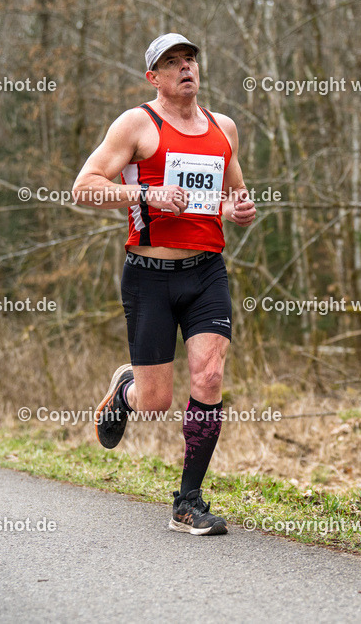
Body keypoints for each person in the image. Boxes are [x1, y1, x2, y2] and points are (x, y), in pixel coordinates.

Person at [72, 33, 256, 536]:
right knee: (156, 402)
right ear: (154, 77)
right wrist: (147, 195)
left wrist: (240, 209)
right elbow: (85, 186)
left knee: (210, 378)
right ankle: (126, 386)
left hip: (206, 272)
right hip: (148, 277)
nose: (185, 68)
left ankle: (188, 501)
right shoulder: (137, 124)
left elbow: (232, 197)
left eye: (190, 59)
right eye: (172, 63)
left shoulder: (224, 128)